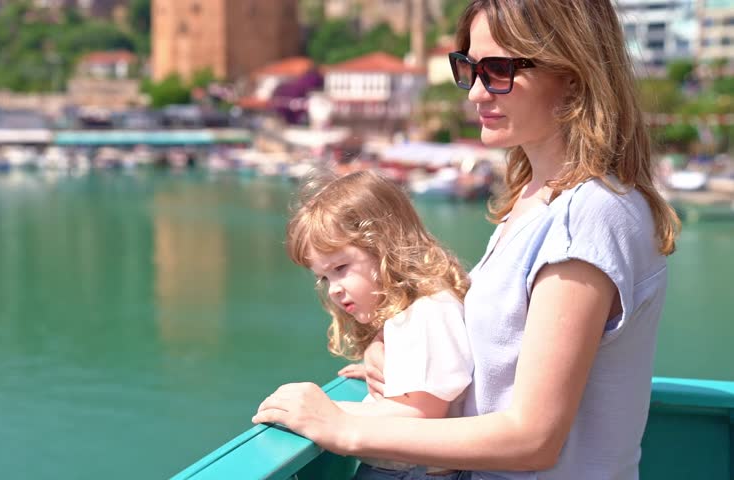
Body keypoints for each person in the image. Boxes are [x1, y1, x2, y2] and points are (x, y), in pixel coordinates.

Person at [253, 1, 681, 479]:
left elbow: (532, 438)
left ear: (574, 75)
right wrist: (401, 356)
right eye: (468, 68)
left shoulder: (586, 215)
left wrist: (341, 427)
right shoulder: (536, 203)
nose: (476, 92)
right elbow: (504, 361)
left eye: (498, 70)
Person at [279, 169, 473, 480]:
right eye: (324, 277)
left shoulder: (427, 313)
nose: (334, 289)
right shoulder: (419, 310)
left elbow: (418, 415)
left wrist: (324, 412)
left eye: (341, 267)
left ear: (386, 246)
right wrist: (397, 370)